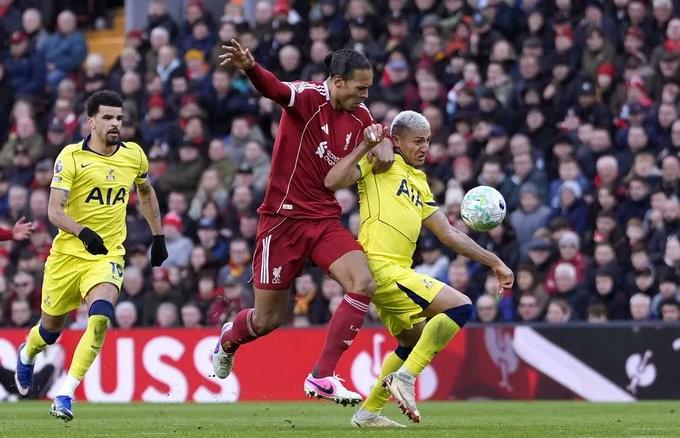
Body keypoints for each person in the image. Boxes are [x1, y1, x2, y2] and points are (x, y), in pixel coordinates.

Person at [211, 40, 394, 405]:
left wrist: (384, 144)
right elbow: (275, 89)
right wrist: (250, 67)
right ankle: (229, 338)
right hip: (282, 221)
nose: (365, 95)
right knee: (267, 320)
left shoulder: (360, 116)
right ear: (338, 82)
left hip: (324, 219)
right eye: (360, 88)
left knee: (363, 282)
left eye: (368, 88)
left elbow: (378, 140)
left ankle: (322, 376)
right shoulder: (308, 98)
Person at [324, 111, 513, 426]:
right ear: (397, 140)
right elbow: (334, 181)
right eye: (417, 141)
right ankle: (406, 378)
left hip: (397, 271)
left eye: (427, 141)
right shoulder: (379, 161)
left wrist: (495, 261)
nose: (425, 147)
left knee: (411, 342)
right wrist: (373, 144)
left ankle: (368, 413)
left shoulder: (420, 182)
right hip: (379, 266)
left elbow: (448, 234)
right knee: (460, 307)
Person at [14, 91, 168, 421]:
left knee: (99, 319)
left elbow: (146, 192)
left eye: (119, 118)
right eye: (108, 118)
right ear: (91, 122)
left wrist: (158, 235)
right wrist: (83, 232)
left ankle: (65, 394)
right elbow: (54, 211)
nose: (115, 124)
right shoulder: (70, 157)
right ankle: (27, 353)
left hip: (107, 255)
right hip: (67, 257)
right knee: (49, 332)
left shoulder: (134, 156)